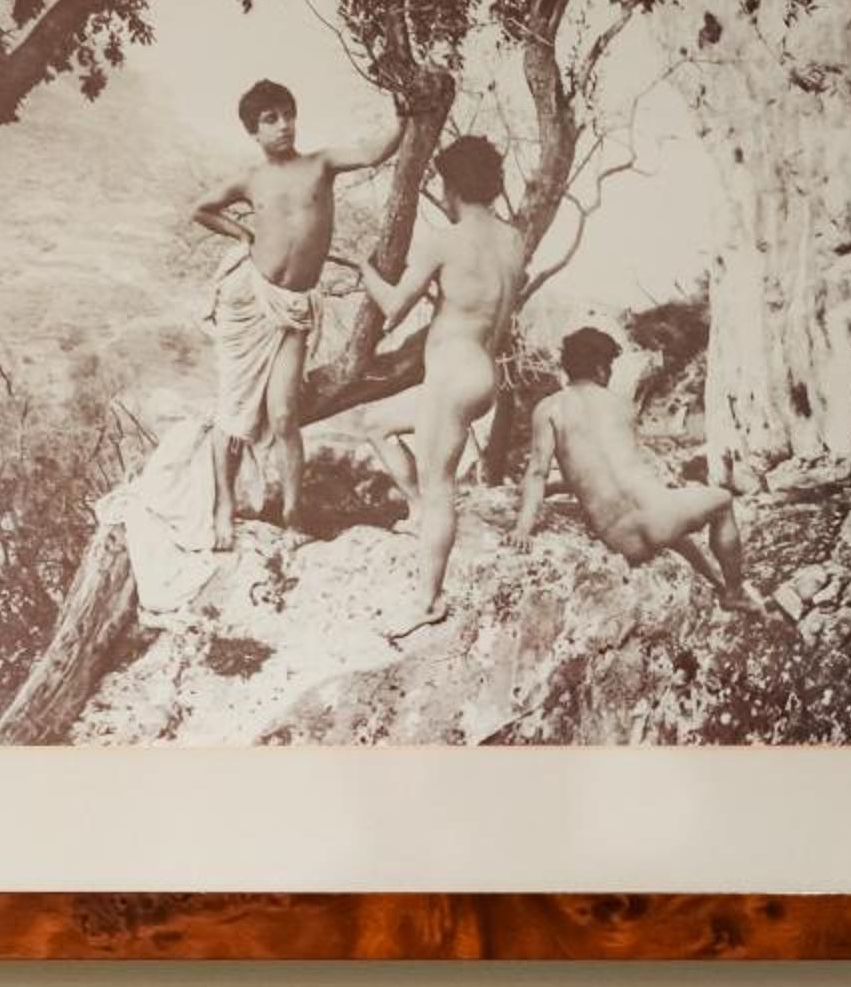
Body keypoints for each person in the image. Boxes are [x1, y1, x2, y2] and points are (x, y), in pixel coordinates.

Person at [190, 78, 403, 547]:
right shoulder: (250, 179)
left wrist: (404, 114)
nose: (284, 125)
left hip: (295, 308)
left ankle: (292, 517)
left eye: (288, 115)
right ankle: (224, 507)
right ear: (253, 131)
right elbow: (201, 209)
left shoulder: (320, 164)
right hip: (248, 303)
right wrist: (241, 234)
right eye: (271, 119)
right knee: (233, 412)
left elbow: (373, 153)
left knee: (285, 414)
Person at [352, 135, 526, 635]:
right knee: (375, 424)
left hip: (451, 374)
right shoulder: (513, 241)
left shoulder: (444, 240)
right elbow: (499, 317)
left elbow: (392, 306)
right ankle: (416, 510)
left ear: (453, 186)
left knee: (441, 489)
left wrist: (364, 268)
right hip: (482, 370)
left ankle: (427, 601)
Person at [511, 326, 766, 608]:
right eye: (609, 367)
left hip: (621, 539)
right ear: (600, 368)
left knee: (662, 525)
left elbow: (543, 472)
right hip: (662, 521)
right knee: (722, 501)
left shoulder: (549, 409)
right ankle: (732, 593)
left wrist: (523, 527)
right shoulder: (620, 406)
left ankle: (716, 582)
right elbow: (624, 473)